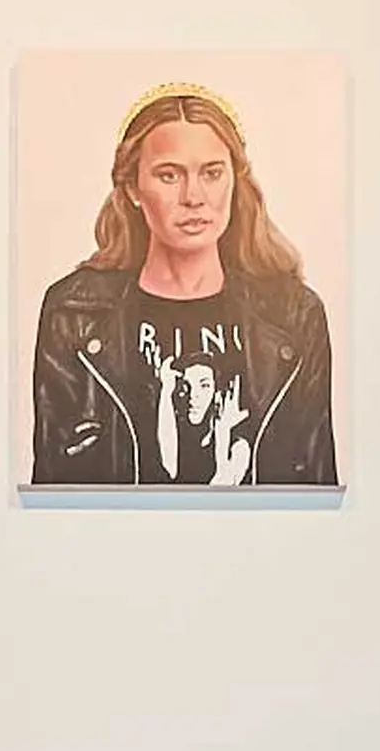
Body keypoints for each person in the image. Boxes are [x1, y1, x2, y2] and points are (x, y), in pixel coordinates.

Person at [30, 85, 337, 489]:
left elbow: (317, 489)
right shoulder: (73, 315)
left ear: (235, 180)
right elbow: (53, 493)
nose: (194, 197)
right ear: (132, 188)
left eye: (212, 173)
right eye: (169, 175)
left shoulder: (294, 317)